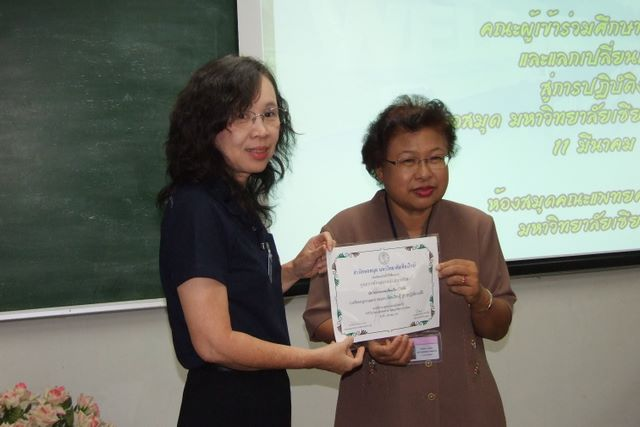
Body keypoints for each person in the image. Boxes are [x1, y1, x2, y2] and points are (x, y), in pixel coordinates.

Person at [157, 55, 364, 427]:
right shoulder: (196, 207)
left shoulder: (235, 199)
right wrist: (313, 359)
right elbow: (214, 343)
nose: (262, 130)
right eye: (241, 116)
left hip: (261, 396)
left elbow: (241, 293)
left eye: (269, 114)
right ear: (206, 125)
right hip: (225, 404)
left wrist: (295, 270)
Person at [303, 95, 516, 426]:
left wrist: (480, 298)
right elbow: (317, 321)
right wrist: (366, 340)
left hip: (465, 405)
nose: (424, 173)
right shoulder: (344, 229)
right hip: (380, 408)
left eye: (436, 158)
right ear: (379, 169)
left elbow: (499, 327)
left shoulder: (476, 226)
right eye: (408, 161)